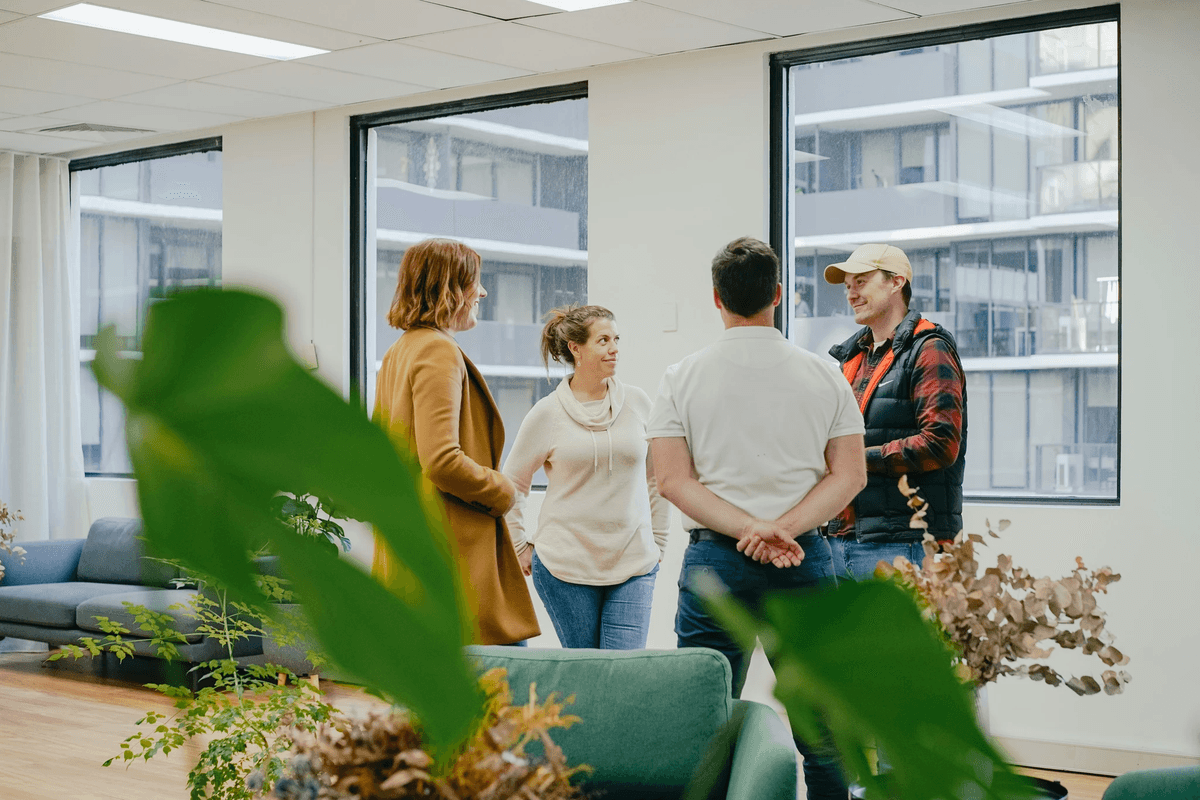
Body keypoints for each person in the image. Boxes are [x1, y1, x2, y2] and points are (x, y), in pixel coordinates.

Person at [648, 236, 866, 800]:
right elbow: (849, 476)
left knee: (704, 723)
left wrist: (747, 530)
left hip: (716, 562)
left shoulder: (680, 377)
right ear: (777, 294)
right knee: (824, 732)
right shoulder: (826, 375)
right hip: (806, 558)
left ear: (716, 298)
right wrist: (783, 530)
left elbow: (672, 480)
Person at [371, 238, 539, 646]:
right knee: (506, 691)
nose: (482, 293)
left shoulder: (400, 351)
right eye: (475, 284)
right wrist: (505, 491)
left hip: (416, 549)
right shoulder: (437, 351)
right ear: (448, 288)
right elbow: (443, 460)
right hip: (454, 556)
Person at [502, 304, 670, 649]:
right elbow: (513, 483)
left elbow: (657, 477)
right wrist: (518, 545)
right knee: (587, 676)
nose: (614, 348)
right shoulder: (547, 413)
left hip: (633, 563)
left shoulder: (637, 402)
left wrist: (659, 541)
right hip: (565, 568)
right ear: (575, 349)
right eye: (603, 340)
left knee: (622, 673)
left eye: (616, 339)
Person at [822, 243, 967, 579]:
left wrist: (855, 461)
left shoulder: (930, 349)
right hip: (841, 539)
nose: (851, 294)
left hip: (906, 543)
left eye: (861, 282)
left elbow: (940, 443)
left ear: (896, 282)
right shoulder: (851, 359)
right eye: (847, 286)